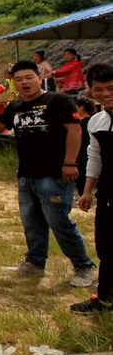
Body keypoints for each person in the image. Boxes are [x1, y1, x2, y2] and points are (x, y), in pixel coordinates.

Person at [0, 61, 96, 286]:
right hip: (26, 173)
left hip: (55, 173)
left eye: (29, 77)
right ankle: (35, 263)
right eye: (19, 79)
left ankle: (83, 266)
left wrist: (70, 162)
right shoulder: (16, 106)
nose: (24, 83)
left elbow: (75, 131)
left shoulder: (58, 100)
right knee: (32, 221)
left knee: (59, 221)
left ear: (39, 77)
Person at [73, 63, 113, 313]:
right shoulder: (96, 122)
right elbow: (94, 156)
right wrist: (87, 191)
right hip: (108, 190)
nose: (105, 94)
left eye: (111, 88)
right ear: (89, 90)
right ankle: (105, 298)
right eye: (99, 89)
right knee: (106, 245)